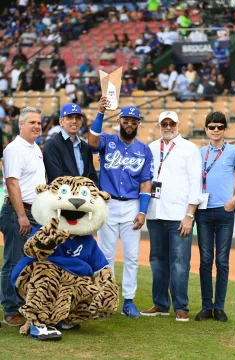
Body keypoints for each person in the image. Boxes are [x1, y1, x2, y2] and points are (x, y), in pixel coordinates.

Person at [88, 99, 153, 318]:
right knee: (106, 254)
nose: (129, 123)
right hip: (108, 203)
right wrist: (99, 113)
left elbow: (146, 183)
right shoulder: (108, 140)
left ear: (138, 123)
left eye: (133, 120)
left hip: (133, 204)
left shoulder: (144, 150)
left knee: (132, 256)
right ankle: (107, 299)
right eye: (126, 119)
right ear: (120, 120)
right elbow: (92, 143)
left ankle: (129, 301)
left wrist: (143, 210)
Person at [141, 111, 202, 322]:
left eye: (172, 123)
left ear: (178, 124)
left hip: (179, 215)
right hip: (155, 213)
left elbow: (196, 183)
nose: (168, 126)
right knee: (157, 260)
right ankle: (160, 304)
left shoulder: (189, 148)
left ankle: (181, 306)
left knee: (179, 261)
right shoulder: (150, 148)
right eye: (164, 123)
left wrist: (189, 215)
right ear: (159, 125)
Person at [0, 106, 46, 326]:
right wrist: (21, 216)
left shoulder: (35, 148)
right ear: (21, 124)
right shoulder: (14, 148)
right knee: (13, 262)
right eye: (32, 122)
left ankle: (23, 304)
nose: (37, 126)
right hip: (19, 212)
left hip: (34, 212)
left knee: (29, 263)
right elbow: (12, 182)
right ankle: (10, 310)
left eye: (39, 122)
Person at [195, 111, 235, 323]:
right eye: (211, 126)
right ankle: (206, 306)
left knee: (222, 261)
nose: (215, 130)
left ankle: (219, 307)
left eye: (219, 127)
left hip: (225, 211)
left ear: (225, 129)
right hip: (203, 212)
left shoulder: (233, 152)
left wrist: (234, 200)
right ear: (206, 129)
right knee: (205, 260)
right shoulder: (200, 153)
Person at [43, 103, 98, 186]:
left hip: (85, 195)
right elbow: (56, 178)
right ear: (61, 122)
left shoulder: (85, 146)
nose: (74, 121)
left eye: (78, 118)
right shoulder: (51, 144)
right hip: (62, 196)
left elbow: (92, 176)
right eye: (70, 117)